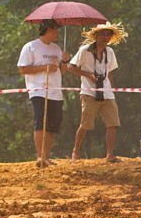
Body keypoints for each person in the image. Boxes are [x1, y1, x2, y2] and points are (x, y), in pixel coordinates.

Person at [68, 22, 127, 163]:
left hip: (106, 91)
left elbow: (110, 72)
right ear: (96, 35)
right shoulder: (85, 50)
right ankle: (75, 152)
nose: (106, 37)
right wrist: (88, 75)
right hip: (89, 91)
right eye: (103, 34)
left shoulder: (110, 52)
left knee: (113, 123)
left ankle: (110, 154)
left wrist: (112, 90)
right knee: (85, 124)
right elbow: (71, 67)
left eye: (109, 34)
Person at [17, 18, 70, 168]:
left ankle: (46, 156)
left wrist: (64, 62)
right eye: (55, 30)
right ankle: (39, 156)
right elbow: (23, 69)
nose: (57, 33)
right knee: (41, 123)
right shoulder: (31, 47)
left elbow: (62, 71)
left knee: (52, 125)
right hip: (38, 90)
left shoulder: (56, 48)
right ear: (47, 30)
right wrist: (44, 67)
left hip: (55, 90)